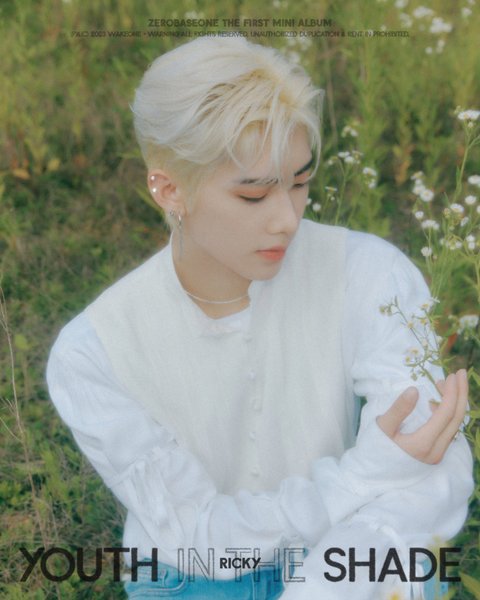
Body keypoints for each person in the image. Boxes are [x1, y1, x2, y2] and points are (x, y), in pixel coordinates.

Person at [47, 37, 473, 599]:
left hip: (349, 551)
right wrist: (363, 475)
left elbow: (428, 472)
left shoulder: (368, 272)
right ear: (169, 189)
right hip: (190, 578)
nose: (288, 219)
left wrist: (322, 587)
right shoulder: (93, 352)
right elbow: (199, 535)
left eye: (300, 182)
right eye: (253, 195)